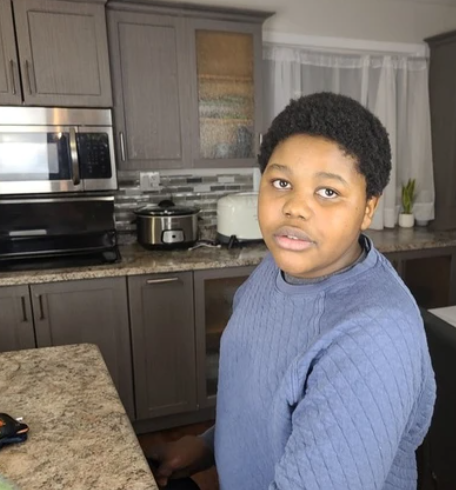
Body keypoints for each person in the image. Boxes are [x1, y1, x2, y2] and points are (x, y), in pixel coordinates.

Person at [146, 92, 436, 490]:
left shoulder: (372, 338)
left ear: (369, 208)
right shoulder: (275, 269)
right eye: (282, 183)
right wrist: (207, 445)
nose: (295, 208)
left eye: (328, 192)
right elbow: (266, 400)